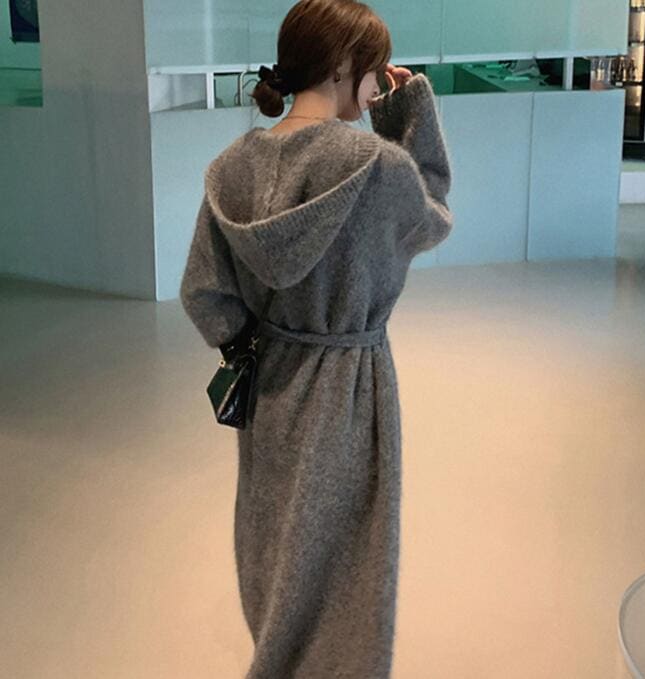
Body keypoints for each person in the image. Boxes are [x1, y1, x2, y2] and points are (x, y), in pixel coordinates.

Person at [179, 0, 453, 676]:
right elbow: (432, 217)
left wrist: (253, 342)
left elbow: (203, 291)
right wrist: (408, 116)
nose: (377, 85)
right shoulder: (377, 166)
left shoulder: (232, 167)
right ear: (342, 65)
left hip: (271, 382)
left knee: (275, 539)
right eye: (374, 70)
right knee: (349, 553)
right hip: (349, 384)